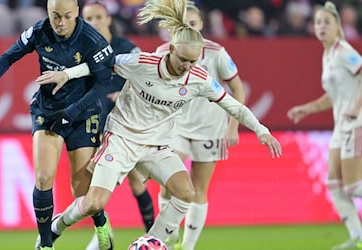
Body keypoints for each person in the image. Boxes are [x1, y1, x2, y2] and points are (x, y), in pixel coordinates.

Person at [36, 0, 282, 248]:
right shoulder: (142, 63)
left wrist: (261, 130)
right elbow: (98, 66)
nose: (187, 66)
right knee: (94, 203)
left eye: (193, 62)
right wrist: (67, 74)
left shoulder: (199, 79)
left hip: (157, 145)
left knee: (187, 193)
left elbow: (233, 105)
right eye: (183, 59)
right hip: (122, 139)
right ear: (171, 50)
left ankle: (151, 241)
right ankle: (58, 225)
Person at [0, 0, 115, 249]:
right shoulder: (39, 30)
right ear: (48, 13)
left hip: (82, 114)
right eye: (55, 16)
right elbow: (9, 55)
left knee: (81, 190)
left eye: (66, 16)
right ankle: (45, 243)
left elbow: (103, 84)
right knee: (43, 177)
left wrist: (72, 112)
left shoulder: (92, 40)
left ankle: (100, 220)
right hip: (48, 111)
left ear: (76, 12)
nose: (61, 23)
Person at [287, 2, 362, 250]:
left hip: (357, 122)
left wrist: (355, 106)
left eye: (326, 23)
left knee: (353, 186)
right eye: (318, 22)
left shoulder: (343, 50)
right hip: (341, 126)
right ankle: (358, 239)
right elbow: (333, 96)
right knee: (334, 184)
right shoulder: (327, 55)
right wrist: (306, 108)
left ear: (338, 26)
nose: (321, 27)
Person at [154, 3, 246, 249]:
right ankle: (169, 234)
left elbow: (237, 88)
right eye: (184, 25)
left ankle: (188, 246)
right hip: (176, 128)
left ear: (201, 25)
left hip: (210, 128)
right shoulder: (164, 51)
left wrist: (233, 126)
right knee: (168, 186)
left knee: (198, 190)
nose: (189, 29)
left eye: (193, 24)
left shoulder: (216, 53)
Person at [79, 1, 155, 248]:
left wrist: (123, 93)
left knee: (136, 180)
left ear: (108, 19)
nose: (93, 22)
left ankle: (153, 236)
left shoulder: (125, 48)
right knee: (90, 183)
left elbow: (147, 78)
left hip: (125, 122)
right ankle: (101, 231)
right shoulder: (79, 49)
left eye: (98, 17)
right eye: (88, 18)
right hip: (94, 121)